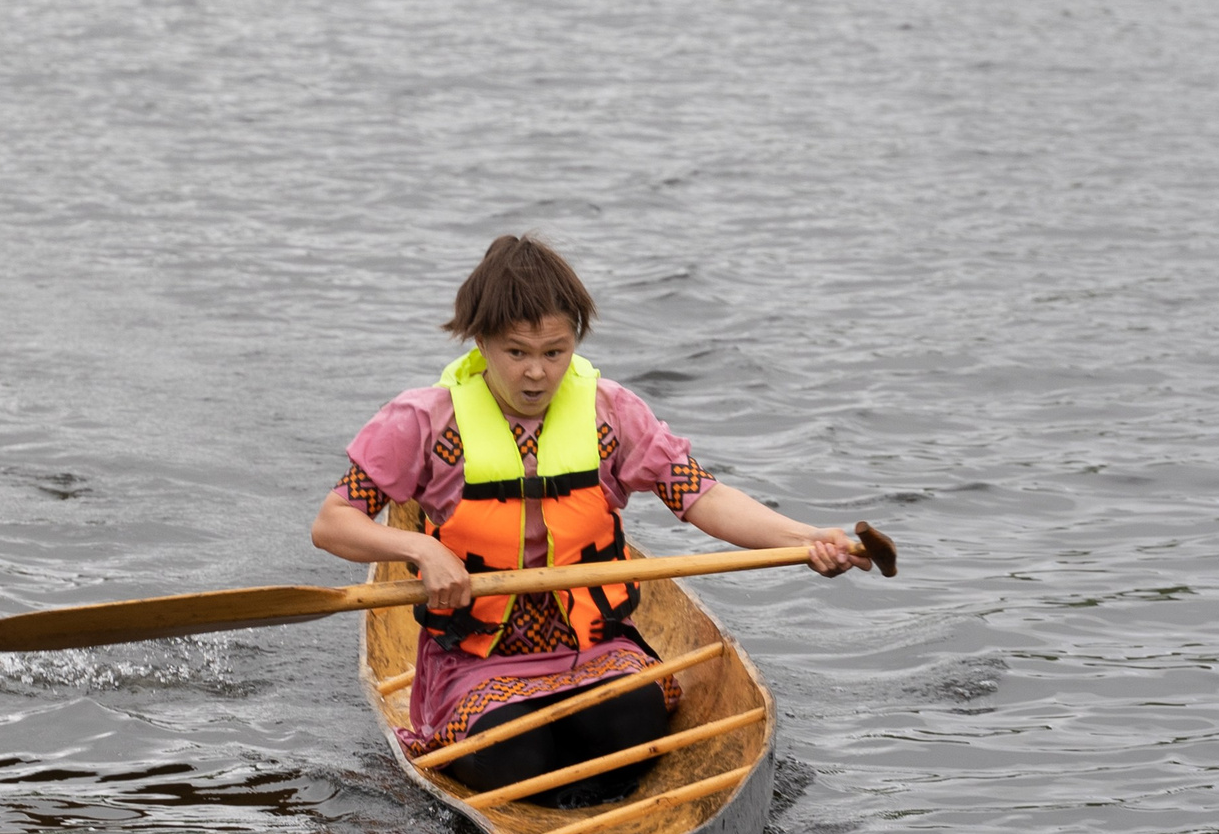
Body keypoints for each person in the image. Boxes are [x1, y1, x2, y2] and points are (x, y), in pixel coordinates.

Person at [310, 235, 867, 802]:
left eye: (555, 352)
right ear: (480, 341)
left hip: (597, 646)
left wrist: (807, 538)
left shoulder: (612, 411)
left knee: (629, 723)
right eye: (516, 352)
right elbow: (334, 523)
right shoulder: (421, 421)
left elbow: (701, 496)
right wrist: (422, 551)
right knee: (513, 758)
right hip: (476, 657)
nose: (536, 374)